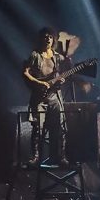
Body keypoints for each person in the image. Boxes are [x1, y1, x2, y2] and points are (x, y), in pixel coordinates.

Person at [23, 26, 67, 164]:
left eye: (50, 36)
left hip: (54, 97)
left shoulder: (57, 57)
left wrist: (61, 80)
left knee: (59, 127)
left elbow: (60, 74)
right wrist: (39, 83)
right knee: (38, 128)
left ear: (53, 40)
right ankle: (35, 157)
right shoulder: (35, 55)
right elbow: (25, 72)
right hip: (39, 97)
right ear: (41, 39)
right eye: (45, 36)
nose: (48, 39)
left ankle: (59, 157)